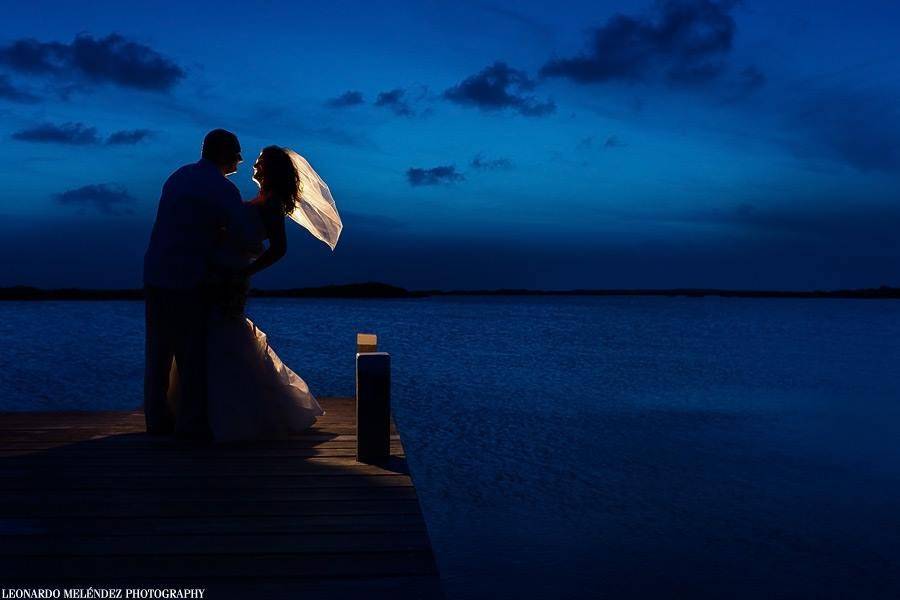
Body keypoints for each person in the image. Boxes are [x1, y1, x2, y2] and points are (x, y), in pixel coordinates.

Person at [166, 145, 324, 442]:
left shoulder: (273, 204)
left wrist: (243, 272)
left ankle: (229, 414)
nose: (254, 163)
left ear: (270, 169)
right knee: (211, 337)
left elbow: (279, 249)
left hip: (233, 277)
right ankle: (200, 411)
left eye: (261, 161)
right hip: (217, 275)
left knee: (225, 336)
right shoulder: (260, 200)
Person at [143, 129, 249, 441]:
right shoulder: (223, 189)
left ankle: (156, 419)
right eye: (236, 152)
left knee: (158, 350)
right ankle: (190, 423)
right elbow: (240, 232)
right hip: (190, 277)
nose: (240, 159)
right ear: (225, 153)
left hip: (156, 271)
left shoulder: (178, 177)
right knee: (191, 355)